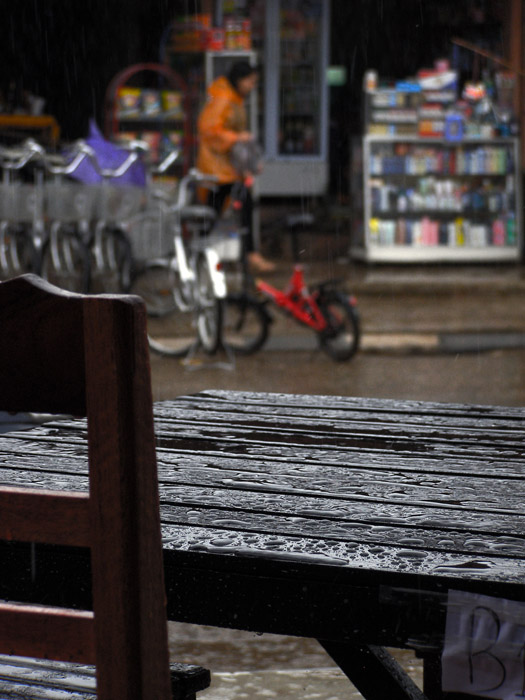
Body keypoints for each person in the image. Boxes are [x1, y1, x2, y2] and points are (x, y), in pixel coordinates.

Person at [197, 60, 275, 273]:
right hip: (218, 170)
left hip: (227, 170)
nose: (252, 86)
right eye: (250, 81)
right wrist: (237, 137)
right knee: (225, 209)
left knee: (217, 211)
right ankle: (247, 255)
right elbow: (208, 130)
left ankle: (199, 252)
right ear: (240, 80)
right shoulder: (223, 100)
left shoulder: (233, 99)